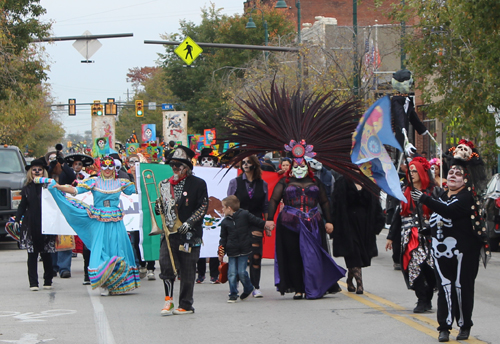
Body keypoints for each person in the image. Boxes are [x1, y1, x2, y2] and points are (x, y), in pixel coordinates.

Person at [411, 139, 487, 342]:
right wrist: (427, 230)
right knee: (444, 288)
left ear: (465, 179)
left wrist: (425, 199)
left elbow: (450, 211)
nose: (453, 176)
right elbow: (439, 219)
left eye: (458, 174)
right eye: (451, 173)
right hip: (441, 252)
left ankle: (464, 325)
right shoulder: (444, 195)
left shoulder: (466, 198)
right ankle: (444, 327)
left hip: (464, 252)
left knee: (462, 288)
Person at [41, 156, 140, 296]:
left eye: (110, 166)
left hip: (116, 221)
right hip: (100, 220)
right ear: (100, 168)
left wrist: (136, 174)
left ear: (114, 168)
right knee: (101, 248)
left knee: (118, 247)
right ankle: (104, 282)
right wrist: (58, 186)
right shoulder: (94, 181)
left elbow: (136, 190)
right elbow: (75, 191)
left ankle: (118, 282)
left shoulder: (121, 183)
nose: (107, 169)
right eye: (104, 167)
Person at [267, 145, 345, 299]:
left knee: (314, 256)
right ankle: (298, 288)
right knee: (294, 256)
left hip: (313, 224)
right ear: (291, 166)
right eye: (296, 165)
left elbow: (325, 202)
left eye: (302, 165)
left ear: (307, 166)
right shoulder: (284, 182)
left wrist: (329, 221)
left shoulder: (316, 182)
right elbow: (273, 201)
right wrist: (269, 220)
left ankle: (314, 285)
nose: (299, 167)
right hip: (289, 224)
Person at [157, 146, 208, 316]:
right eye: (173, 165)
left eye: (178, 166)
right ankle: (168, 301)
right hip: (170, 233)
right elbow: (164, 208)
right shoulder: (164, 185)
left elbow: (203, 206)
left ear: (187, 167)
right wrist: (159, 208)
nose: (175, 169)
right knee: (166, 265)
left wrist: (190, 222)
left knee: (187, 270)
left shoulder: (199, 184)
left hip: (189, 235)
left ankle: (186, 304)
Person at [386, 157, 436, 313]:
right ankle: (421, 299)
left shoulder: (432, 193)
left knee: (430, 268)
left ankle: (427, 297)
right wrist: (390, 236)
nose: (412, 174)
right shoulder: (404, 192)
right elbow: (397, 216)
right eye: (410, 171)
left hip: (428, 237)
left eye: (415, 171)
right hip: (409, 237)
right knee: (414, 266)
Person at [332, 174, 385, 294]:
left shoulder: (369, 182)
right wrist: (333, 222)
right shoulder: (342, 181)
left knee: (360, 254)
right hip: (347, 223)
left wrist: (379, 222)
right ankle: (360, 284)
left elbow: (376, 204)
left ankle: (350, 279)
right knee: (353, 251)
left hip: (365, 224)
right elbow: (335, 203)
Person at [227, 155, 268, 298]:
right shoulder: (235, 182)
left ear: (254, 165)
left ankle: (256, 286)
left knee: (256, 255)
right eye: (243, 162)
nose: (245, 165)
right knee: (239, 254)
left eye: (248, 162)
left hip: (256, 222)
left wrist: (267, 224)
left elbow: (265, 206)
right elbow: (229, 204)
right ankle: (237, 284)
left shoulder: (262, 184)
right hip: (239, 223)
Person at [218, 195, 271, 302]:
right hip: (232, 251)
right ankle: (233, 293)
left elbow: (257, 221)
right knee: (232, 273)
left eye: (223, 207)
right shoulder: (224, 222)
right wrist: (221, 252)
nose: (222, 210)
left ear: (229, 208)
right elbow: (223, 238)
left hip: (244, 249)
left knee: (242, 272)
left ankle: (248, 287)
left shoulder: (245, 215)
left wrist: (266, 225)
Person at [14, 158, 56, 291]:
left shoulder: (49, 187)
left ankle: (48, 280)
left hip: (46, 222)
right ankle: (33, 282)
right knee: (32, 254)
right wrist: (17, 219)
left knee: (46, 253)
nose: (37, 172)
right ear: (30, 172)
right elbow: (22, 206)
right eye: (34, 170)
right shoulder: (27, 188)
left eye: (39, 170)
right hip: (31, 223)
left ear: (43, 172)